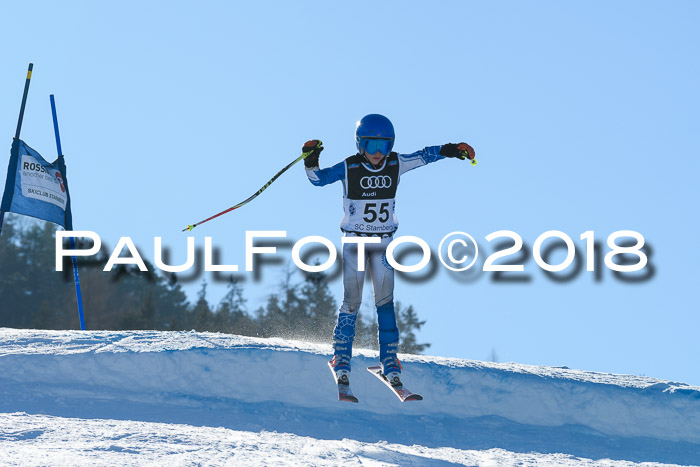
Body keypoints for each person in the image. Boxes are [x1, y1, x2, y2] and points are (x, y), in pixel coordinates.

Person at [302, 114, 475, 389]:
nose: (378, 153)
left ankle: (390, 362)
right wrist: (311, 159)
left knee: (385, 303)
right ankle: (341, 359)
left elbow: (425, 155)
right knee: (352, 302)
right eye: (371, 146)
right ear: (360, 145)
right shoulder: (349, 167)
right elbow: (318, 180)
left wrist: (453, 150)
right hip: (355, 243)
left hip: (383, 242)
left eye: (383, 146)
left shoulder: (396, 163)